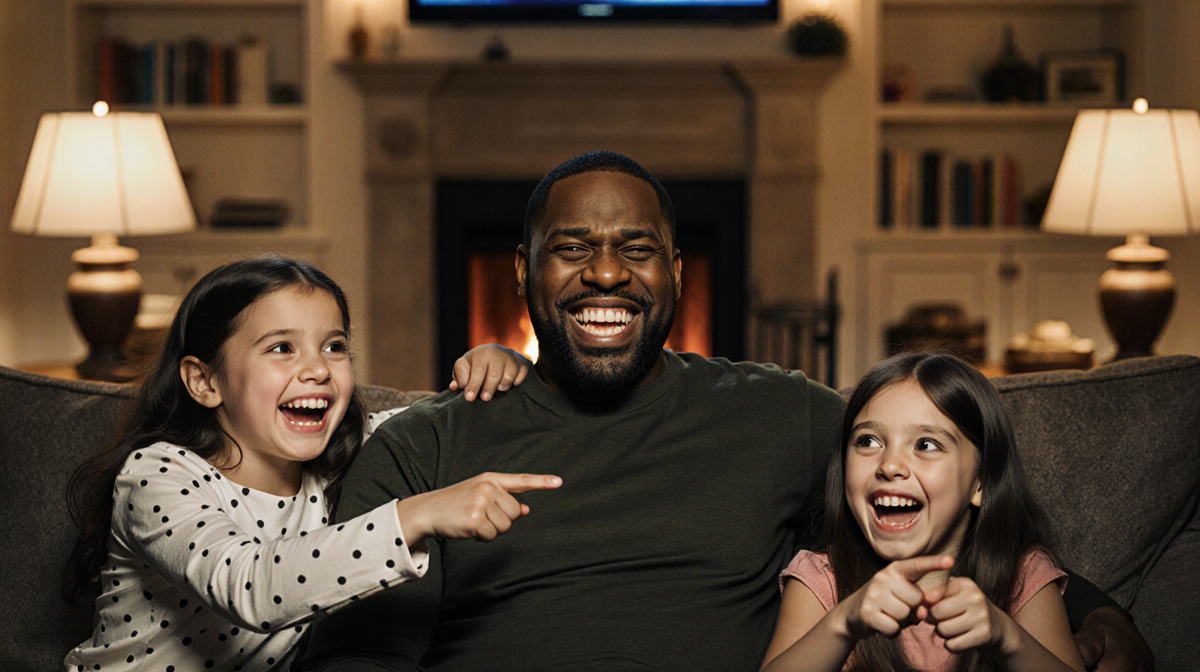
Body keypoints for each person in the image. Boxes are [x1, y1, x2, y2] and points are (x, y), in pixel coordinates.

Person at [302, 151, 1152, 672]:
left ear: (677, 271)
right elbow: (356, 654)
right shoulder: (425, 444)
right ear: (521, 274)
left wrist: (1095, 613)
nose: (606, 273)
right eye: (572, 249)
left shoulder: (780, 414)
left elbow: (939, 487)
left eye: (636, 249)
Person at [62, 256, 559, 672]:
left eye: (334, 346)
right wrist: (418, 515)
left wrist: (494, 362)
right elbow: (249, 585)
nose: (318, 368)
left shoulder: (342, 456)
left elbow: (436, 423)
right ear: (203, 382)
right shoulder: (158, 474)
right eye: (281, 348)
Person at [761, 352, 1083, 672]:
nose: (889, 465)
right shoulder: (822, 580)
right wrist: (843, 624)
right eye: (868, 441)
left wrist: (1008, 639)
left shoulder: (1022, 576)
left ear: (980, 483)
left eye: (926, 445)